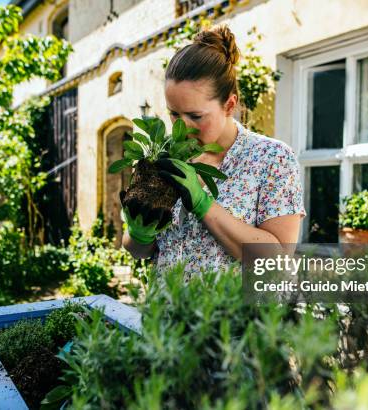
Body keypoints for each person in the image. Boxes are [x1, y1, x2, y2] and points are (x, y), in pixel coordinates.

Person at [121, 24, 306, 280]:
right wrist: (139, 230)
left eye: (195, 115)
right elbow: (139, 251)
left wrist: (203, 204)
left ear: (230, 104)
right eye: (174, 113)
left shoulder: (271, 158)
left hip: (235, 318)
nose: (181, 127)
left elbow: (278, 261)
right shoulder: (164, 159)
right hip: (165, 315)